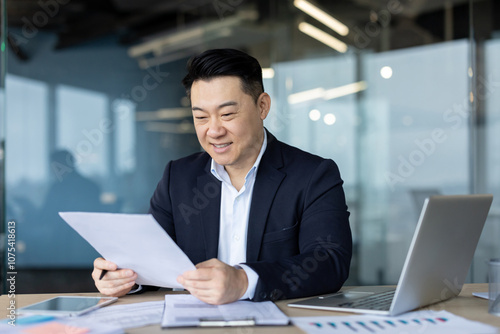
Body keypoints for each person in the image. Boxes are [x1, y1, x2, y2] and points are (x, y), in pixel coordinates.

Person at [92, 48, 352, 305]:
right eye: (200, 117)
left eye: (227, 114)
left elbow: (329, 262)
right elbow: (150, 259)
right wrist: (123, 277)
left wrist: (243, 281)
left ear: (262, 106)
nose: (213, 130)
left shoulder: (313, 175)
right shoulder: (178, 178)